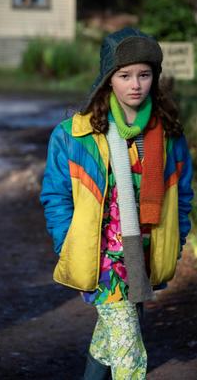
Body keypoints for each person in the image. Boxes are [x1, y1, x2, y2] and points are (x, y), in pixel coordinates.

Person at [40, 28, 193, 379]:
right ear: (109, 80)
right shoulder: (73, 135)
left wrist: (175, 242)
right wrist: (68, 244)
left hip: (146, 253)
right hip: (103, 259)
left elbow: (182, 197)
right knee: (130, 356)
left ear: (155, 78)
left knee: (111, 339)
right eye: (124, 76)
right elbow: (56, 196)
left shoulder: (169, 135)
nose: (135, 84)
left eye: (144, 74)